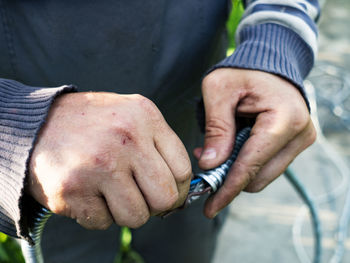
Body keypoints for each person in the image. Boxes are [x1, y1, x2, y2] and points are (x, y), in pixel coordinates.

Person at [0, 0, 319, 262]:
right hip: (53, 158)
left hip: (192, 111)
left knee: (186, 244)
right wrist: (14, 129)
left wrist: (277, 39)